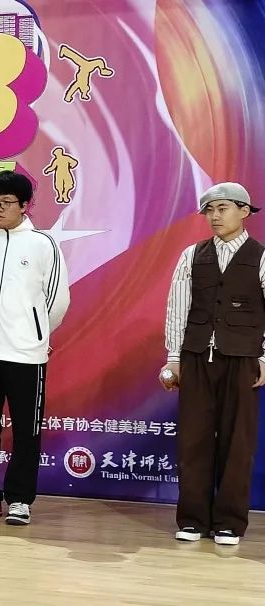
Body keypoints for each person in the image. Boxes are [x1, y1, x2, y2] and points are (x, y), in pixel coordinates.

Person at [0, 171, 70, 526]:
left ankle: (20, 499)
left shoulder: (42, 244)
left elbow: (57, 299)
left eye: (6, 202)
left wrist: (36, 333)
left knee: (26, 428)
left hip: (25, 353)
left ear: (24, 205)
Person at [161, 182, 263, 546]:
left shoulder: (260, 257)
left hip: (242, 359)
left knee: (238, 442)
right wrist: (174, 359)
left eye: (222, 208)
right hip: (196, 357)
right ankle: (192, 519)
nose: (214, 216)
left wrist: (263, 357)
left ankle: (230, 523)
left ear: (244, 211)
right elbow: (177, 309)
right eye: (209, 210)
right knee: (194, 439)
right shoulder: (192, 255)